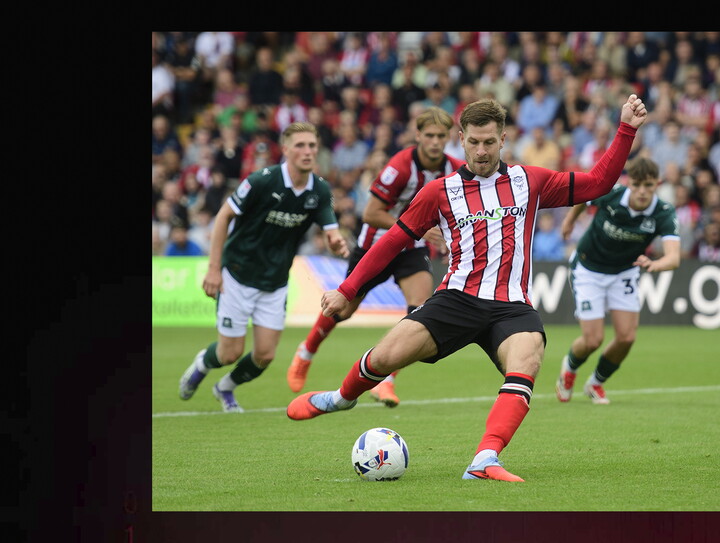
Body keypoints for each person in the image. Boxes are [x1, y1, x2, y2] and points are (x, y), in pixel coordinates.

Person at [286, 94, 648, 483]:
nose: (481, 151)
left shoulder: (530, 181)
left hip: (511, 305)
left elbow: (598, 183)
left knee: (528, 357)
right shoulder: (440, 191)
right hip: (456, 299)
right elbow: (392, 241)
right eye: (474, 142)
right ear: (461, 139)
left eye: (489, 142)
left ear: (503, 139)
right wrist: (347, 289)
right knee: (385, 357)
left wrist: (626, 128)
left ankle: (484, 459)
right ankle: (341, 398)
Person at [287, 107, 464, 406]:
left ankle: (386, 381)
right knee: (343, 311)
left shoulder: (456, 169)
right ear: (418, 135)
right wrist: (418, 229)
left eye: (441, 136)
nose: (435, 142)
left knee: (420, 312)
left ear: (449, 137)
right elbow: (370, 213)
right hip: (375, 246)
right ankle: (306, 351)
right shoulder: (400, 166)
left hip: (413, 249)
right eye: (430, 135)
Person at [178, 122, 350, 413]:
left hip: (275, 281)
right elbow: (223, 217)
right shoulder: (262, 180)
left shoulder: (319, 189)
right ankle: (201, 365)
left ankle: (225, 387)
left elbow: (331, 229)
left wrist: (336, 241)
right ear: (285, 149)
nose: (307, 151)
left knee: (265, 355)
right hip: (237, 274)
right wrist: (213, 269)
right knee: (229, 353)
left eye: (312, 145)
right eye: (300, 145)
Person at [555, 157, 680, 405]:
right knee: (593, 340)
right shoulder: (611, 193)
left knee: (626, 338)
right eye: (637, 185)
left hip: (624, 272)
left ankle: (595, 383)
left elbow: (674, 257)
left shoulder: (663, 212)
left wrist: (656, 264)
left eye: (648, 185)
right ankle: (569, 368)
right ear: (628, 182)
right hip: (588, 268)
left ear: (657, 184)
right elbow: (583, 197)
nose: (642, 191)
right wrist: (569, 221)